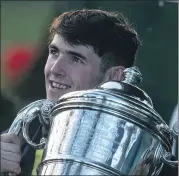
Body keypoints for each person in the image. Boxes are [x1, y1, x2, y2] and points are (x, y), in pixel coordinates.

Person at [1, 9, 141, 175]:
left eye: (75, 59)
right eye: (54, 52)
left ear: (114, 76)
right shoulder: (19, 140)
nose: (55, 69)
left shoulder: (133, 160)